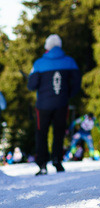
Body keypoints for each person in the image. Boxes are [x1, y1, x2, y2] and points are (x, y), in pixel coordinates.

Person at [27, 34, 81, 175]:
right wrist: (67, 95)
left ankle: (42, 164)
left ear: (47, 47)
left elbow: (31, 85)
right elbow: (77, 83)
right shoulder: (70, 62)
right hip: (62, 103)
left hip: (43, 106)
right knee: (59, 132)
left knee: (41, 134)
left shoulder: (39, 63)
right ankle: (57, 161)